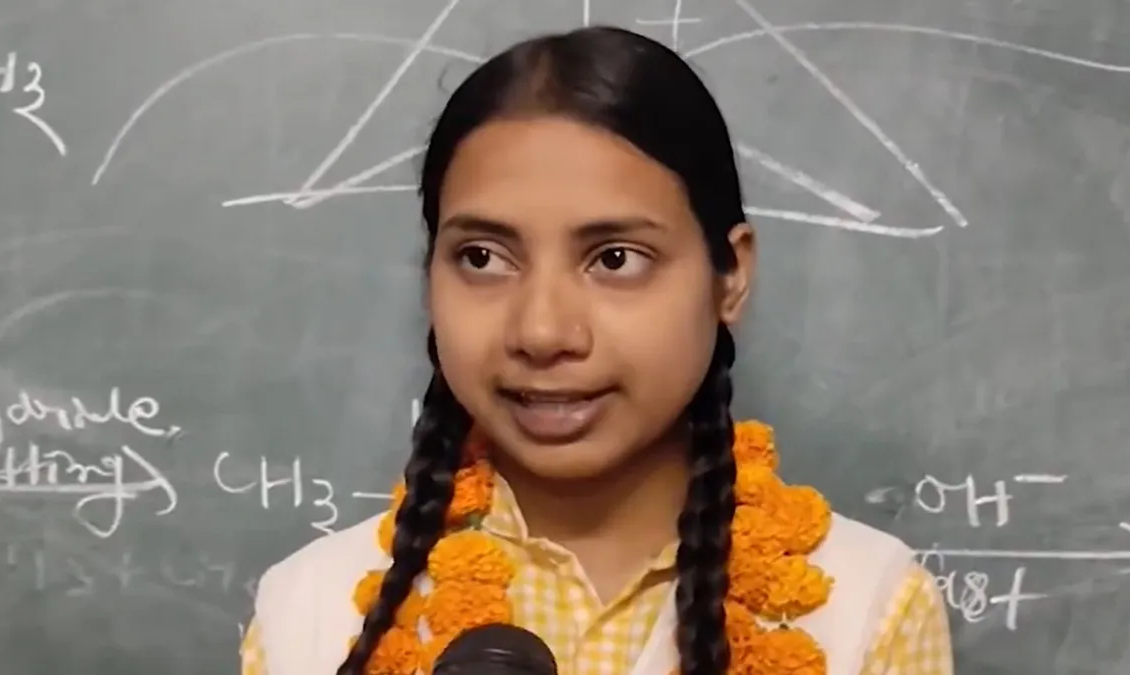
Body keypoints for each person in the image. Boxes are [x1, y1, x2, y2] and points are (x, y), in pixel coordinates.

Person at [240, 25, 954, 675]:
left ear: (730, 276)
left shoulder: (862, 613)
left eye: (615, 259)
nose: (542, 331)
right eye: (482, 257)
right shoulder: (312, 617)